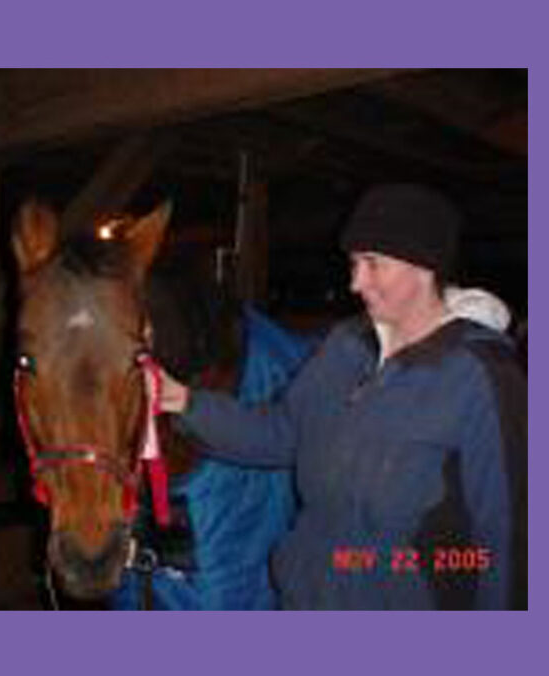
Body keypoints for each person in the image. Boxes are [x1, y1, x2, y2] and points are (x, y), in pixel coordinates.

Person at [159, 184, 527, 610]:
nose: (355, 282)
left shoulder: (481, 376)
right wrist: (184, 401)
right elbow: (284, 433)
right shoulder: (347, 345)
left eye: (372, 263)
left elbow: (510, 537)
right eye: (353, 263)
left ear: (424, 266)